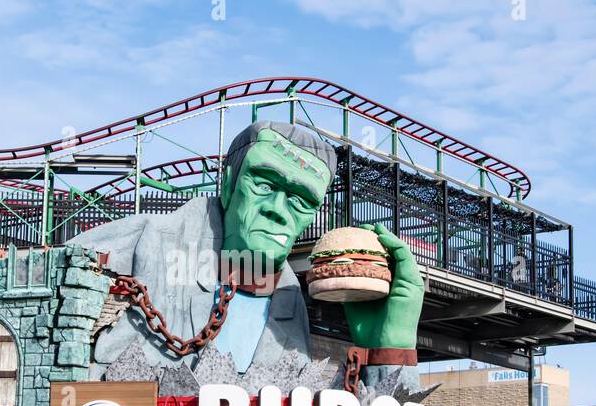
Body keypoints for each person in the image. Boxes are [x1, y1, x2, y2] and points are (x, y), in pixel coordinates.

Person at [71, 121, 423, 387]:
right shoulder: (133, 246)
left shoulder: (289, 298)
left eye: (301, 200)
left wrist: (388, 349)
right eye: (265, 184)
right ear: (227, 185)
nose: (277, 210)